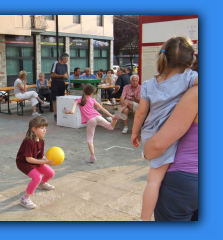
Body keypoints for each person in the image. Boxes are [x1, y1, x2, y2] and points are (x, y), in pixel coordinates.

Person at [131, 36, 198, 221]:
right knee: (155, 181)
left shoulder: (148, 84)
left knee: (152, 181)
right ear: (188, 60)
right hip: (167, 136)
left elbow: (140, 113)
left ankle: (144, 220)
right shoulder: (189, 79)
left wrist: (135, 132)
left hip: (151, 132)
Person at [144, 86, 198, 221]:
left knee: (153, 181)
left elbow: (158, 145)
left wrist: (146, 152)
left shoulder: (196, 93)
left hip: (184, 178)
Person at [65, 84, 127, 163]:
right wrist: (111, 115)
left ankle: (93, 156)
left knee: (90, 139)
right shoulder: (93, 100)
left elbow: (73, 110)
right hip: (98, 117)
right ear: (91, 93)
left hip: (91, 120)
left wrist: (70, 112)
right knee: (110, 127)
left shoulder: (79, 100)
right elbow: (102, 109)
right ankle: (115, 118)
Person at [16, 116, 56, 209]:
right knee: (36, 177)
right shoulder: (29, 142)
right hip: (23, 163)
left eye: (45, 128)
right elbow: (28, 159)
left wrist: (47, 161)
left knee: (51, 173)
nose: (44, 130)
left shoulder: (41, 140)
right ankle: (25, 198)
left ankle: (42, 184)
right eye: (41, 128)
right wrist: (44, 161)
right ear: (33, 129)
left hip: (34, 161)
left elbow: (40, 156)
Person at [51, 52, 69, 121]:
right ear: (63, 58)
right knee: (55, 99)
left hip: (62, 83)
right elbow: (52, 74)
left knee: (61, 98)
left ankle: (61, 113)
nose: (67, 60)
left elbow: (66, 75)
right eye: (67, 58)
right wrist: (62, 76)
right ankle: (55, 114)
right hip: (55, 83)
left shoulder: (65, 65)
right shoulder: (56, 63)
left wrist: (65, 76)